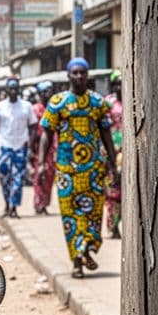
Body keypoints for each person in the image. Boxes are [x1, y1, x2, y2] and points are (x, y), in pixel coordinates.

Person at [41, 58, 119, 278]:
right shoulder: (58, 102)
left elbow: (106, 134)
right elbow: (46, 134)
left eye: (82, 72)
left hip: (93, 170)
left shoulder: (97, 102)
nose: (79, 76)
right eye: (75, 72)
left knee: (93, 214)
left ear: (87, 75)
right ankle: (76, 261)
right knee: (71, 217)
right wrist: (41, 164)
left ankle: (86, 250)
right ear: (68, 75)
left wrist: (113, 163)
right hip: (67, 171)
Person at [0, 76, 37, 218]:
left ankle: (14, 208)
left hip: (20, 147)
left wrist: (30, 143)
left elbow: (33, 126)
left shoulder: (26, 106)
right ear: (7, 90)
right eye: (11, 88)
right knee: (4, 177)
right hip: (4, 147)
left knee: (18, 179)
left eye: (16, 88)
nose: (13, 91)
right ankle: (6, 204)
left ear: (19, 89)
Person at [32, 80, 55, 214]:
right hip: (39, 147)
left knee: (49, 176)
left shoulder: (53, 108)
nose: (49, 94)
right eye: (46, 91)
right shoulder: (36, 109)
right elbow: (33, 130)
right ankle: (39, 204)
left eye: (50, 91)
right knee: (40, 176)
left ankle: (45, 203)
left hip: (52, 148)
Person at [105, 70, 123, 238]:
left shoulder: (133, 100)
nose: (119, 87)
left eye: (121, 83)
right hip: (112, 153)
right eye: (116, 83)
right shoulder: (109, 103)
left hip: (128, 153)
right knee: (113, 192)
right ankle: (113, 226)